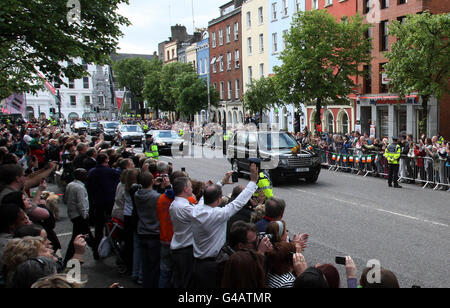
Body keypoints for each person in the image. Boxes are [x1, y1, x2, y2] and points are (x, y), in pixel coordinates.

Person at [190, 163, 259, 289]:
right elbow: (238, 203)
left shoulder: (197, 209)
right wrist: (253, 182)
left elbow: (206, 196)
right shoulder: (217, 214)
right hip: (212, 265)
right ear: (218, 200)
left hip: (197, 262)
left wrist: (221, 182)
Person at [86, 153, 121, 259]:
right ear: (106, 160)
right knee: (111, 225)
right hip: (109, 202)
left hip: (97, 202)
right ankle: (110, 246)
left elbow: (89, 186)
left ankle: (97, 250)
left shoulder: (92, 172)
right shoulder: (111, 172)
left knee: (98, 227)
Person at [134, 171, 161, 288]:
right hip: (154, 233)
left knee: (145, 263)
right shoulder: (156, 197)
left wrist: (155, 186)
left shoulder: (137, 194)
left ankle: (144, 281)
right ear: (152, 181)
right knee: (154, 266)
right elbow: (158, 198)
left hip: (142, 231)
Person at [63, 168, 94, 264]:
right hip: (79, 216)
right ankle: (68, 259)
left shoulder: (71, 185)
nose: (87, 176)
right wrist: (85, 215)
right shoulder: (80, 188)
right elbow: (81, 203)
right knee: (79, 236)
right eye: (85, 174)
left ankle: (96, 249)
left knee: (84, 234)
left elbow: (66, 198)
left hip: (73, 214)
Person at [169, 176, 195, 288]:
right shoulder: (184, 207)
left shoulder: (176, 203)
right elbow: (204, 214)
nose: (192, 188)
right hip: (185, 251)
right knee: (185, 282)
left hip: (178, 247)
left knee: (178, 280)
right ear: (185, 189)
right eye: (190, 186)